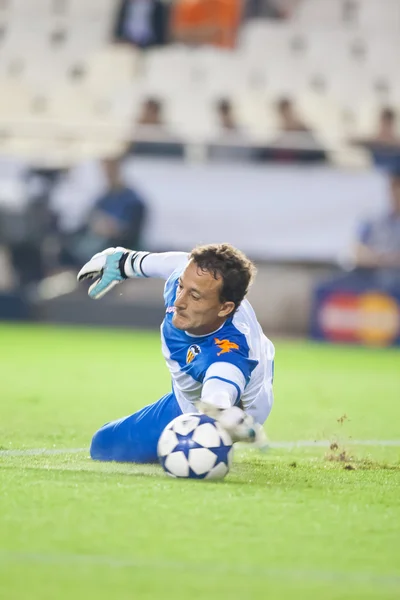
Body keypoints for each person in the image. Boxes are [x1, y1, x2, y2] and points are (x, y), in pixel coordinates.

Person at [78, 243, 275, 463]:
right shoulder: (187, 283)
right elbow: (176, 263)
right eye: (182, 286)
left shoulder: (228, 352)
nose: (179, 301)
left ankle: (215, 434)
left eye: (195, 296)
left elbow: (220, 387)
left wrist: (221, 412)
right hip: (191, 392)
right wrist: (124, 262)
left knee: (192, 448)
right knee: (102, 444)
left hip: (238, 405)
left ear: (225, 308)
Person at [60, 157, 147, 267]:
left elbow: (131, 233)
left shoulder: (133, 201)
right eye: (105, 166)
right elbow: (87, 221)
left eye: (111, 166)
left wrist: (112, 228)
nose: (107, 170)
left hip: (119, 257)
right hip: (92, 253)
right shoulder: (102, 199)